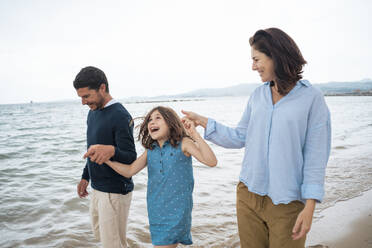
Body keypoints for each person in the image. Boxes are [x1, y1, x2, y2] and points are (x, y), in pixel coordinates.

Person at [182, 28, 331, 248]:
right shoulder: (258, 95)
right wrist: (202, 120)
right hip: (248, 196)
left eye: (256, 59)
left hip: (287, 203)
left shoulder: (312, 98)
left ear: (275, 56)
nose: (253, 66)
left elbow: (316, 157)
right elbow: (240, 136)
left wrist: (310, 206)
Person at [85, 106, 217, 248]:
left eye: (158, 118)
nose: (152, 122)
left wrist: (194, 134)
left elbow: (211, 161)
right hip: (155, 211)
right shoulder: (151, 150)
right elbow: (129, 170)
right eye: (150, 120)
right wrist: (106, 160)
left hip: (177, 211)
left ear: (171, 122)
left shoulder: (184, 144)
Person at [73, 66, 137, 248]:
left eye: (87, 96)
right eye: (81, 98)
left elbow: (131, 158)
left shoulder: (120, 115)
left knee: (114, 245)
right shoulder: (92, 113)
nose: (84, 102)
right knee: (102, 238)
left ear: (102, 88)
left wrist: (112, 150)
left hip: (115, 191)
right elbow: (92, 150)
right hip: (98, 188)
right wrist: (86, 176)